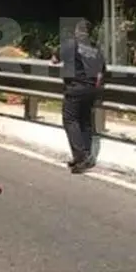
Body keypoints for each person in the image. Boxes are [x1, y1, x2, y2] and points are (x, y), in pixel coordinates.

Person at [54, 19, 106, 173]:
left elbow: (54, 59)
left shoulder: (70, 45)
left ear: (77, 31)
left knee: (70, 120)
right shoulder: (97, 49)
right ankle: (87, 155)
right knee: (85, 121)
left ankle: (81, 157)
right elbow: (100, 74)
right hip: (91, 90)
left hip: (75, 88)